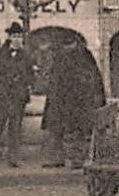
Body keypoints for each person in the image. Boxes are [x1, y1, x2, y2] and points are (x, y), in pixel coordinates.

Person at [41, 40, 106, 168]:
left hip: (72, 102)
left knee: (73, 131)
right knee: (64, 131)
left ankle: (73, 158)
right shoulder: (75, 57)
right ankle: (65, 158)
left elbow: (89, 81)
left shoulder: (74, 58)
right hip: (65, 101)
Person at [0, 23, 39, 168]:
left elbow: (31, 76)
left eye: (20, 37)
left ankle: (13, 158)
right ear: (9, 38)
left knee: (15, 128)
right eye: (14, 36)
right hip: (2, 95)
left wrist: (28, 85)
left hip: (18, 97)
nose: (17, 40)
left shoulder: (26, 56)